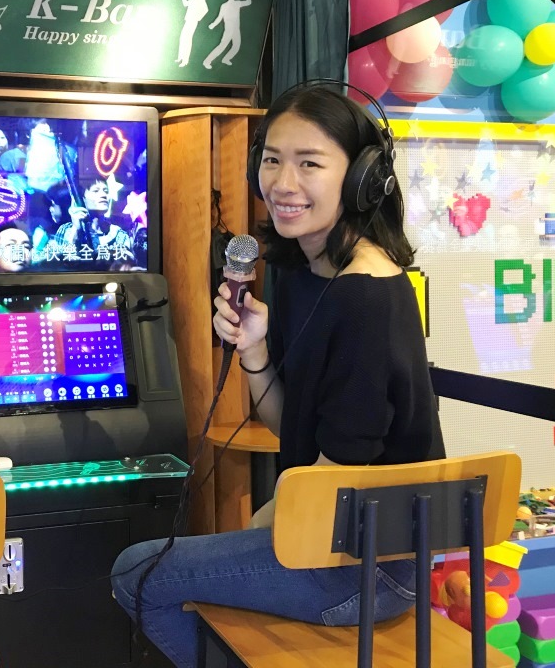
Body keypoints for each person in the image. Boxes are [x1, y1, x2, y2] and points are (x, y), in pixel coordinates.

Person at [110, 85, 445, 668]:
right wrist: (256, 350)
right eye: (271, 159)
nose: (282, 183)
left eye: (309, 163)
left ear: (362, 178)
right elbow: (292, 427)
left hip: (372, 566)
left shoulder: (367, 298)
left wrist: (261, 529)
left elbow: (332, 482)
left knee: (137, 572)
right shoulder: (301, 269)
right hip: (330, 533)